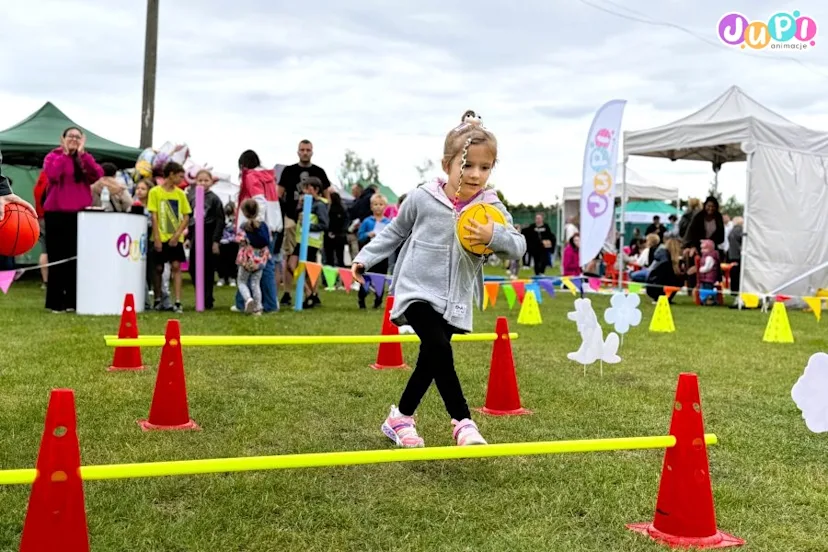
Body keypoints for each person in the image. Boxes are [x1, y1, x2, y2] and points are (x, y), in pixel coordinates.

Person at [351, 110, 526, 448]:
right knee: (438, 348)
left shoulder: (490, 206)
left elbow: (518, 246)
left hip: (455, 298)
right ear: (447, 164)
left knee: (432, 358)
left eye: (485, 167)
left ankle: (399, 418)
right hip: (415, 288)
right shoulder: (422, 198)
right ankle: (462, 421)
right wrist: (365, 258)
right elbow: (396, 231)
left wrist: (494, 235)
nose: (475, 174)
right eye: (467, 165)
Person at [42, 127, 103, 313]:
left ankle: (73, 300)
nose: (74, 140)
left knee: (76, 258)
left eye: (78, 137)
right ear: (63, 138)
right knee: (58, 258)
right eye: (71, 136)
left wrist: (83, 154)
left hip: (80, 214)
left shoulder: (84, 158)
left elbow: (97, 174)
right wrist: (66, 154)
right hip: (56, 213)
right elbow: (52, 174)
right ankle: (55, 301)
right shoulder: (53, 156)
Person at [278, 140, 331, 297]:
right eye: (302, 149)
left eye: (308, 149)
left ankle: (312, 293)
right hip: (291, 219)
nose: (305, 152)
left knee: (309, 264)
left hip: (311, 227)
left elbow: (328, 196)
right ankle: (287, 292)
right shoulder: (289, 171)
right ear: (298, 151)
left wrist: (319, 212)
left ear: (312, 151)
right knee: (290, 259)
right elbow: (278, 194)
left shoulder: (319, 172)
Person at [235, 150, 282, 313]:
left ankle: (249, 303)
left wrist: (254, 224)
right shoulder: (267, 177)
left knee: (247, 266)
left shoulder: (251, 176)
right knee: (265, 267)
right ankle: (268, 303)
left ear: (242, 165)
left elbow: (259, 200)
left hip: (259, 227)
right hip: (273, 224)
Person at [148, 162, 191, 313]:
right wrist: (157, 238)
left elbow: (186, 216)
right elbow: (153, 216)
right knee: (158, 267)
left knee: (176, 266)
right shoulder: (155, 192)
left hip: (175, 237)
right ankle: (158, 298)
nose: (181, 179)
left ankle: (178, 301)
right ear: (171, 174)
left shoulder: (180, 194)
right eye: (179, 176)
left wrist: (177, 234)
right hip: (160, 236)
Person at [286, 177, 329, 308]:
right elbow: (296, 217)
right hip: (302, 241)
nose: (304, 191)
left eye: (307, 188)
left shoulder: (320, 205)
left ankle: (310, 294)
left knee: (308, 271)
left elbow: (324, 224)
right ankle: (310, 293)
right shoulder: (305, 202)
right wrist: (299, 205)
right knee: (292, 265)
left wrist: (308, 227)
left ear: (315, 189)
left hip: (311, 242)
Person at [186, 169, 225, 310]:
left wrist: (216, 241)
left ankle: (208, 298)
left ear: (211, 182)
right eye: (200, 180)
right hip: (195, 234)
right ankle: (200, 295)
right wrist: (189, 237)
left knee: (207, 268)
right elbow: (189, 218)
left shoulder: (214, 199)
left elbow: (220, 221)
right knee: (193, 267)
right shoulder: (192, 197)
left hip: (208, 233)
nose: (202, 183)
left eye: (205, 180)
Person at [235, 199, 271, 315]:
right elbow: (268, 240)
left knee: (242, 281)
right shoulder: (264, 225)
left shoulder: (244, 226)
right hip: (260, 259)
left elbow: (239, 240)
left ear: (244, 213)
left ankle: (248, 299)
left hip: (247, 259)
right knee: (256, 283)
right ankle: (258, 308)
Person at [356, 194, 391, 309]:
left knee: (380, 278)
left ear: (385, 206)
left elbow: (393, 238)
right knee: (365, 277)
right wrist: (368, 234)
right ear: (371, 206)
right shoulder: (367, 221)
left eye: (380, 204)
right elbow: (360, 236)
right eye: (375, 204)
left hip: (382, 255)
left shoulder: (388, 223)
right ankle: (362, 299)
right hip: (368, 255)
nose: (378, 207)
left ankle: (378, 301)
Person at [324, 191, 349, 268]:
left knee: (329, 258)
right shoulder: (343, 210)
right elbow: (346, 222)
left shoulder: (328, 210)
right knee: (340, 258)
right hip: (340, 236)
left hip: (329, 236)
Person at [698, 239, 719, 306]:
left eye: (704, 249)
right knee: (704, 289)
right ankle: (704, 300)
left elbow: (708, 267)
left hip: (709, 277)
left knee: (708, 289)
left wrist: (701, 269)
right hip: (705, 277)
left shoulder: (710, 257)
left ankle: (710, 300)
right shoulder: (705, 256)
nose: (702, 251)